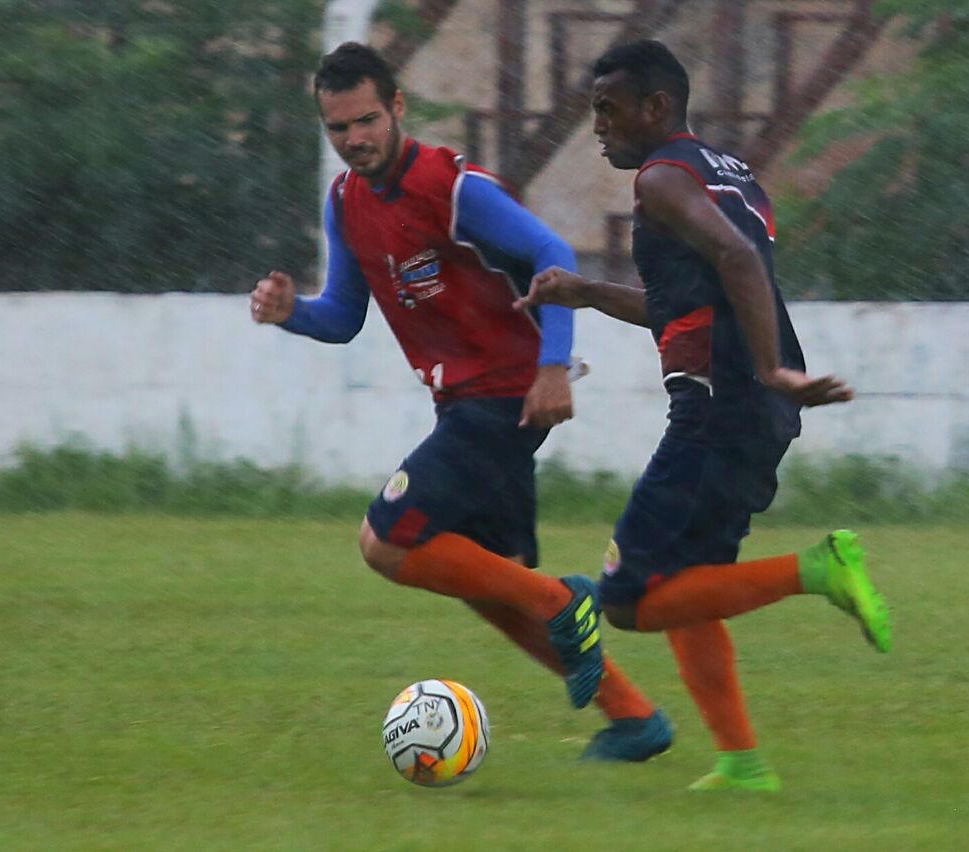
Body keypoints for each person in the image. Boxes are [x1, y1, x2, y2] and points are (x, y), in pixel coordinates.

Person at [250, 41, 671, 761]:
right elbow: (345, 316)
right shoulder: (346, 203)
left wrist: (553, 367)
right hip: (464, 407)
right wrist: (291, 312)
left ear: (397, 109)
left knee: (385, 542)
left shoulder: (452, 187)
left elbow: (555, 257)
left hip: (505, 398)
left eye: (367, 120)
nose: (355, 139)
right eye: (339, 128)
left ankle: (563, 600)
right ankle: (635, 718)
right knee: (490, 585)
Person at [514, 39, 891, 790]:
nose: (598, 127)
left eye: (609, 109)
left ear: (657, 107)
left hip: (720, 409)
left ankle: (817, 571)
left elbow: (737, 263)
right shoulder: (731, 174)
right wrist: (586, 291)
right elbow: (686, 303)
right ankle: (744, 763)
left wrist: (769, 368)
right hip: (750, 407)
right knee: (690, 586)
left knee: (623, 601)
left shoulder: (660, 179)